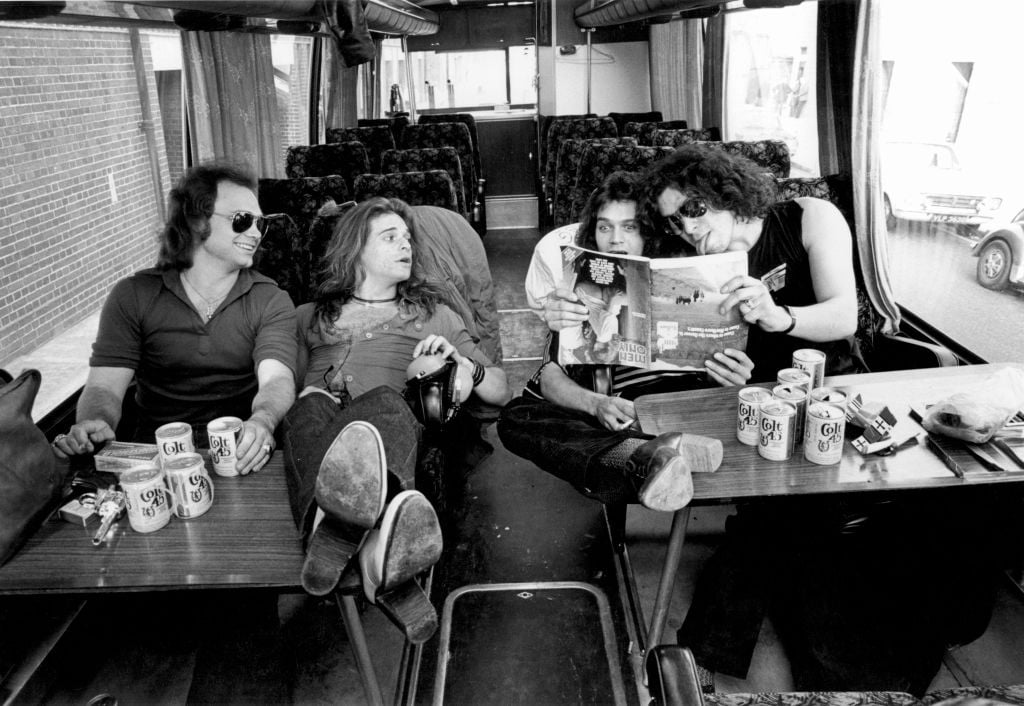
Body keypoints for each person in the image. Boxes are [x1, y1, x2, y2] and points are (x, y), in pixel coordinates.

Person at [643, 145, 1000, 695]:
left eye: (693, 208)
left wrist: (778, 316)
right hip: (757, 402)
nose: (686, 228)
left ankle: (912, 631)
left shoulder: (811, 217)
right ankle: (729, 659)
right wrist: (721, 371)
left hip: (837, 391)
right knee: (789, 521)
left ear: (725, 190)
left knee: (944, 505)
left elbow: (842, 316)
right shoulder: (693, 265)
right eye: (674, 220)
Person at [281, 197, 509, 640]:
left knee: (385, 401)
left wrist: (463, 364)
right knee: (308, 406)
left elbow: (501, 391)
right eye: (390, 237)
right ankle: (371, 560)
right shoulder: (307, 318)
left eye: (407, 238)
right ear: (354, 249)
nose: (406, 245)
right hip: (320, 435)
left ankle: (332, 536)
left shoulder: (433, 315)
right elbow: (278, 385)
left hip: (387, 432)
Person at [498, 171, 732, 514]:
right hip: (626, 414)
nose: (615, 239)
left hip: (691, 401)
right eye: (605, 227)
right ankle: (647, 456)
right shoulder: (579, 287)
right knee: (517, 417)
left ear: (648, 231)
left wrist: (731, 373)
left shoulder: (693, 271)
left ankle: (634, 461)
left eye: (630, 227)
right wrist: (597, 404)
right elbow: (549, 378)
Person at [52, 162, 297, 475]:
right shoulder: (133, 296)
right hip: (157, 453)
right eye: (242, 220)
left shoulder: (270, 299)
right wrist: (96, 422)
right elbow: (104, 387)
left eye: (260, 224)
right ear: (196, 221)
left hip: (239, 450)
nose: (255, 233)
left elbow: (276, 380)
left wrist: (263, 420)